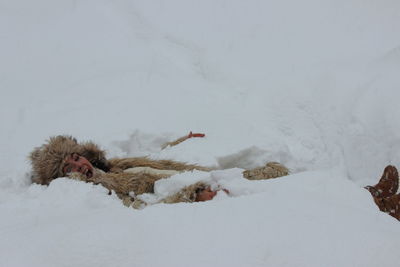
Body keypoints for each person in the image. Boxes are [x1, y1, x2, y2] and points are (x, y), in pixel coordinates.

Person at [29, 135, 290, 208]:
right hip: (201, 193)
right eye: (69, 168)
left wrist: (180, 141)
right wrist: (191, 195)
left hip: (197, 177)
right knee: (276, 180)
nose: (80, 166)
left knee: (276, 174)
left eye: (76, 158)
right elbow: (142, 209)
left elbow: (153, 161)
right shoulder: (98, 194)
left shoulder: (116, 165)